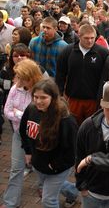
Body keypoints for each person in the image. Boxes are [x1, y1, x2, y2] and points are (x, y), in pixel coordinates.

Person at [19, 79, 78, 208]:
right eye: (36, 97)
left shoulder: (65, 120)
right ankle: (73, 192)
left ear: (53, 97)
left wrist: (55, 165)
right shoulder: (31, 109)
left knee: (48, 200)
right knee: (54, 185)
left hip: (57, 168)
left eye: (43, 97)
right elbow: (23, 131)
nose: (38, 101)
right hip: (38, 163)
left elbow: (71, 151)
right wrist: (28, 151)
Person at [1, 59, 43, 208]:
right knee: (16, 169)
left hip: (39, 138)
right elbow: (7, 111)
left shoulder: (41, 91)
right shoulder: (15, 89)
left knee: (44, 171)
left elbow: (42, 115)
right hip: (19, 134)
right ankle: (11, 202)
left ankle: (68, 191)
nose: (18, 81)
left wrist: (19, 113)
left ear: (31, 77)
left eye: (21, 78)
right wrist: (22, 116)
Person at [56, 24, 109, 125]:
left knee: (92, 128)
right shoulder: (68, 51)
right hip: (73, 99)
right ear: (79, 36)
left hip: (93, 100)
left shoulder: (103, 53)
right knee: (73, 126)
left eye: (92, 38)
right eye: (86, 38)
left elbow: (106, 78)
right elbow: (60, 74)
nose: (89, 41)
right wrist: (59, 95)